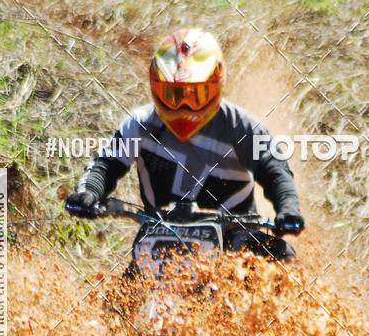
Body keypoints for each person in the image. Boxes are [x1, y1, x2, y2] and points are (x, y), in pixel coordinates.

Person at [65, 28, 304, 259]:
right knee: (118, 296)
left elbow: (275, 170)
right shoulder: (138, 124)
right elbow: (106, 165)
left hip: (236, 239)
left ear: (216, 86)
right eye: (173, 95)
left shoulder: (241, 126)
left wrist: (288, 208)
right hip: (159, 238)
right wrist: (89, 192)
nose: (183, 107)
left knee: (283, 259)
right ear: (155, 87)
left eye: (196, 95)